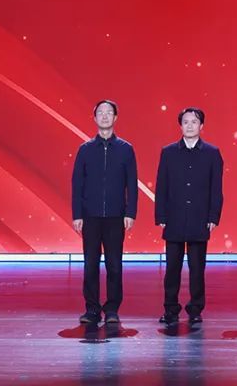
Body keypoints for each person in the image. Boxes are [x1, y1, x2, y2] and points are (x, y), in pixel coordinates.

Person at [71, 99, 138, 325]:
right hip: (90, 216)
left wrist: (130, 212)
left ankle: (112, 309)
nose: (105, 115)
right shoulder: (85, 149)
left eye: (109, 112)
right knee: (90, 264)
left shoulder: (126, 149)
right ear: (95, 118)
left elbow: (131, 184)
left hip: (115, 216)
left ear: (115, 118)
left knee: (114, 264)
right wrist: (77, 214)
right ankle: (92, 309)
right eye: (101, 112)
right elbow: (77, 184)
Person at [155, 107, 223, 325]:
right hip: (174, 217)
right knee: (172, 268)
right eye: (186, 122)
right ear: (181, 126)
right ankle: (170, 308)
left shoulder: (212, 153)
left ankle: (195, 309)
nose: (190, 125)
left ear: (201, 126)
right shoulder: (168, 152)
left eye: (194, 122)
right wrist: (161, 215)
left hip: (199, 218)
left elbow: (216, 189)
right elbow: (161, 185)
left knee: (197, 268)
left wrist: (213, 216)